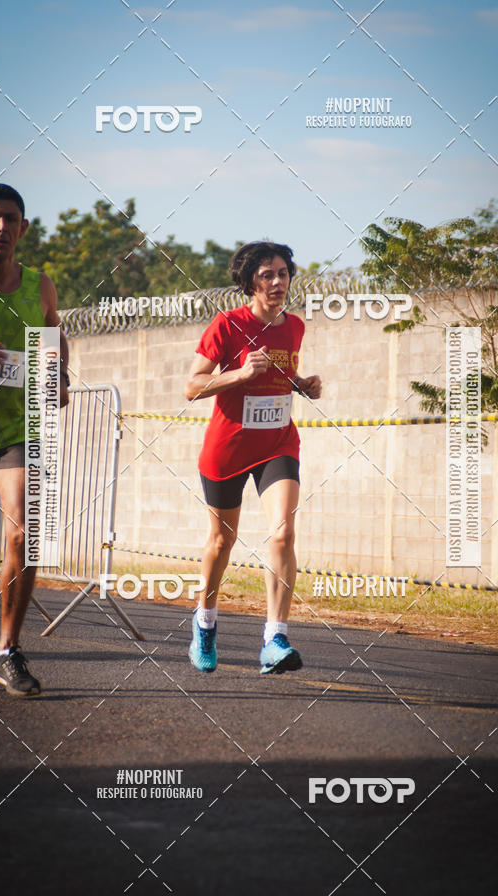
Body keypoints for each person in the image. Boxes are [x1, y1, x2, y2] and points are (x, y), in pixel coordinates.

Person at [184, 241, 321, 674]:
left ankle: (275, 639)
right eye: (267, 275)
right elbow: (192, 386)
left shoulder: (294, 327)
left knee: (283, 534)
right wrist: (240, 374)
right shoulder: (227, 325)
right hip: (228, 448)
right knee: (221, 542)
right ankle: (205, 623)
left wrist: (302, 384)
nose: (277, 282)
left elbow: (279, 373)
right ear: (249, 283)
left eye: (283, 273)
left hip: (277, 444)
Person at [0, 183, 69, 697]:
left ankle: (7, 651)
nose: (1, 227)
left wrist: (58, 375)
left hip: (17, 430)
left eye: (10, 219)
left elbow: (54, 336)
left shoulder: (39, 285)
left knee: (27, 531)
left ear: (23, 228)